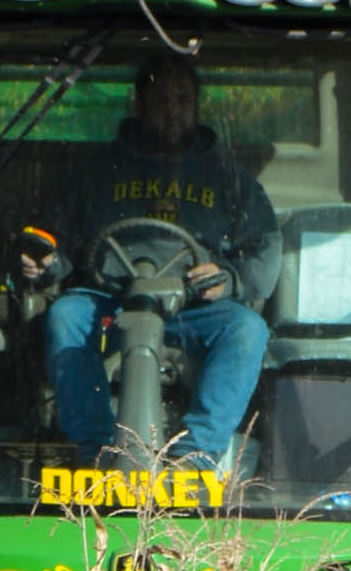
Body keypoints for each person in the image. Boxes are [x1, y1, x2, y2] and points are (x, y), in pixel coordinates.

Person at [22, 60, 277, 466]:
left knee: (247, 329)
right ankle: (96, 451)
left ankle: (195, 458)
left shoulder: (230, 179)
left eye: (182, 100)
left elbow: (264, 247)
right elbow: (58, 243)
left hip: (194, 308)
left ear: (197, 106)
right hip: (110, 302)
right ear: (138, 105)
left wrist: (230, 279)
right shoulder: (96, 172)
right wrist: (48, 263)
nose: (173, 111)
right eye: (161, 100)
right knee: (65, 317)